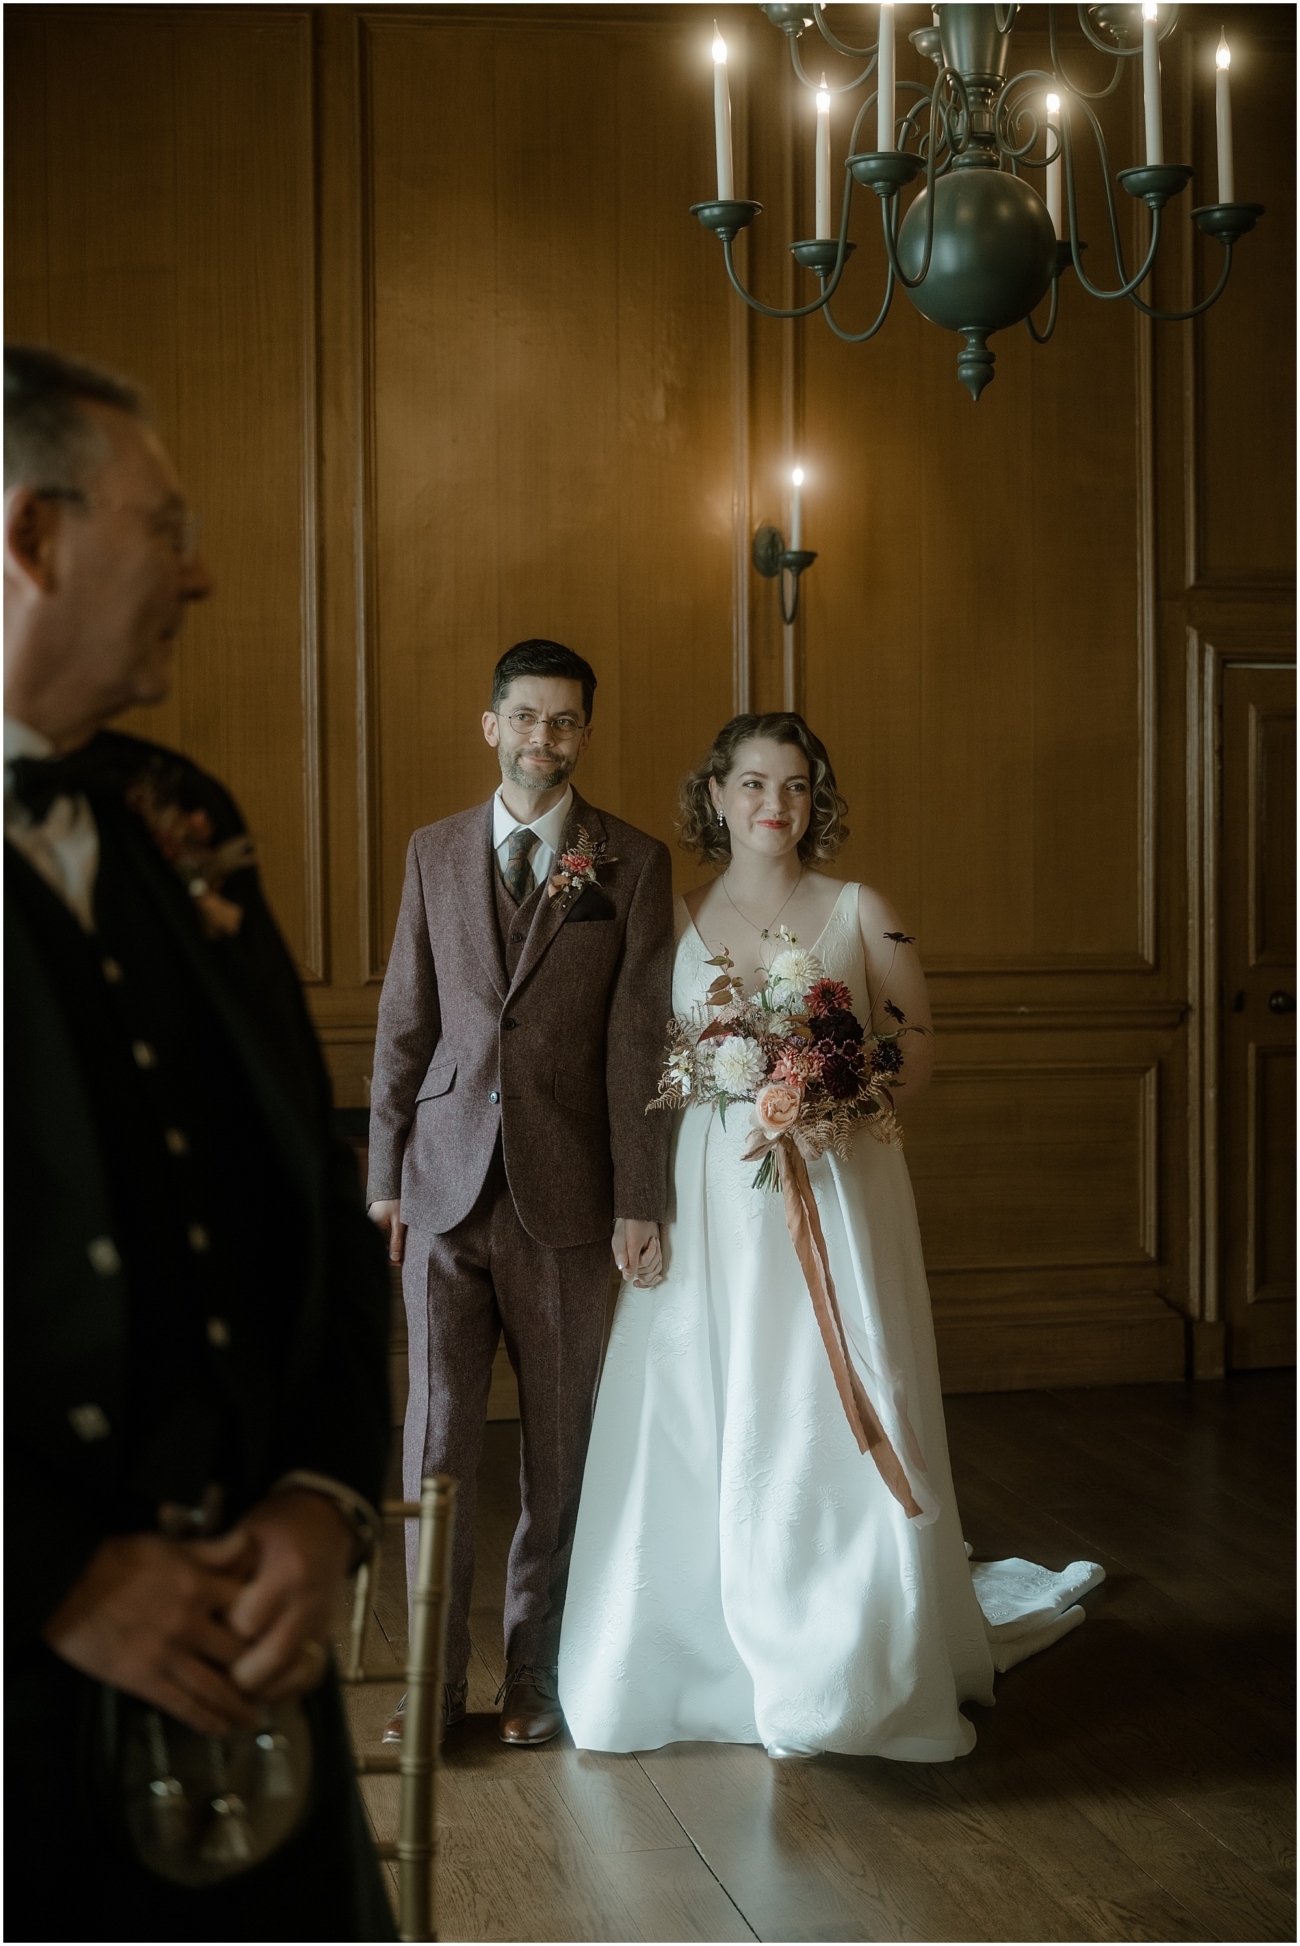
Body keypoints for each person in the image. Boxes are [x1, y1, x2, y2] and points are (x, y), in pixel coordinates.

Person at [4, 345, 394, 1940]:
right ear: (33, 536)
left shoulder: (182, 813)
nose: (204, 572)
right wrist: (47, 1571)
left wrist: (320, 1492)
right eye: (166, 529)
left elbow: (311, 1189)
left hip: (255, 1682)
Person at [558, 713, 1102, 1760]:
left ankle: (849, 1647)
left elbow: (915, 1046)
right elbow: (640, 1066)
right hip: (711, 1197)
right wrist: (643, 1198)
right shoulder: (669, 919)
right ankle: (694, 1649)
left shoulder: (862, 912)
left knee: (831, 1390)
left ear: (817, 800)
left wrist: (831, 1089)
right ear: (716, 795)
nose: (777, 804)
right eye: (754, 783)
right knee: (696, 1399)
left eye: (797, 786)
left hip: (840, 1188)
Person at [367, 639, 673, 1747]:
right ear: (490, 724)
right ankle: (433, 1684)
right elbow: (406, 1020)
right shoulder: (433, 850)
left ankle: (535, 1675)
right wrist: (383, 1177)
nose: (545, 737)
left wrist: (640, 1194)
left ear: (584, 731)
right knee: (435, 1447)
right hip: (440, 1190)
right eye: (527, 716)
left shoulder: (631, 861)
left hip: (569, 1197)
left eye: (566, 720)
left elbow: (639, 1041)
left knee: (561, 1449)